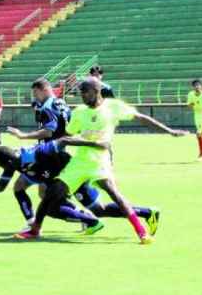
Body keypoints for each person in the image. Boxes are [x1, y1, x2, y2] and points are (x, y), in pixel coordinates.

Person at [15, 77, 188, 244]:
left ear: (97, 90)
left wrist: (169, 131)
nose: (83, 95)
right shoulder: (79, 112)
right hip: (80, 161)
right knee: (52, 193)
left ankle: (141, 232)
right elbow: (68, 135)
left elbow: (142, 118)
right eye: (81, 92)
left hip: (100, 160)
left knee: (114, 193)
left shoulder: (113, 107)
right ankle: (35, 229)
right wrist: (55, 146)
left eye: (86, 92)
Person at [0, 139, 161, 235]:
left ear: (9, 161)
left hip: (72, 175)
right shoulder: (12, 163)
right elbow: (1, 186)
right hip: (59, 181)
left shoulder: (37, 152)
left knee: (53, 208)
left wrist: (95, 144)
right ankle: (147, 212)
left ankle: (91, 220)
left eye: (3, 166)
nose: (5, 169)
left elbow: (64, 141)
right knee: (97, 209)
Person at [4, 78, 71, 229]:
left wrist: (23, 135)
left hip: (48, 156)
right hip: (59, 153)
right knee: (43, 193)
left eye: (36, 92)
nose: (35, 96)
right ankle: (82, 216)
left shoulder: (48, 107)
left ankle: (83, 217)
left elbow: (48, 131)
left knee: (26, 188)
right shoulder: (61, 103)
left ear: (45, 89)